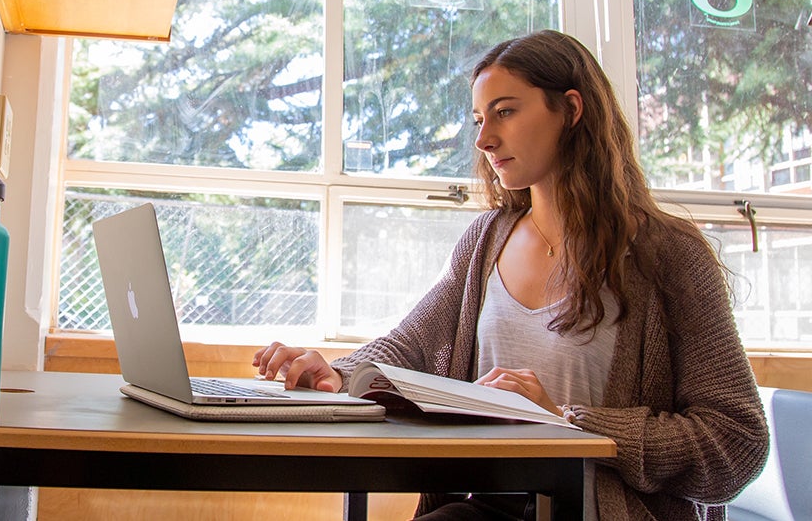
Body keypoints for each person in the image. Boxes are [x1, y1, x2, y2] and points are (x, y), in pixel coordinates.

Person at [253, 30, 769, 520]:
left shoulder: (668, 253)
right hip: (489, 507)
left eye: (504, 112)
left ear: (571, 109)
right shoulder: (485, 241)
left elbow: (736, 442)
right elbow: (408, 346)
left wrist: (565, 421)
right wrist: (337, 373)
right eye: (479, 118)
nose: (484, 139)